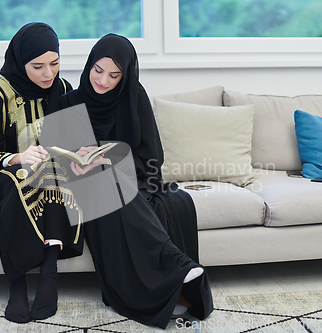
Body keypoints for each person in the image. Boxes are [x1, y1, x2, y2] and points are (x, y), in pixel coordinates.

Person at [60, 34, 213, 329]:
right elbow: (60, 160)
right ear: (88, 66)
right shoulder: (68, 102)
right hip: (83, 187)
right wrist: (76, 162)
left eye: (114, 75)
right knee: (102, 180)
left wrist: (111, 157)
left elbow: (152, 157)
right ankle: (175, 264)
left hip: (130, 180)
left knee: (117, 181)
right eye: (98, 70)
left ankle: (169, 285)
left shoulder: (134, 97)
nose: (103, 81)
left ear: (126, 74)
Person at [0, 22, 82, 324]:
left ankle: (49, 275)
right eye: (38, 66)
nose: (49, 74)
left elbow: (70, 140)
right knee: (17, 180)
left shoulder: (62, 89)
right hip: (0, 173)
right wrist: (19, 157)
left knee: (56, 174)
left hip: (48, 172)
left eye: (55, 64)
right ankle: (16, 284)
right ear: (21, 62)